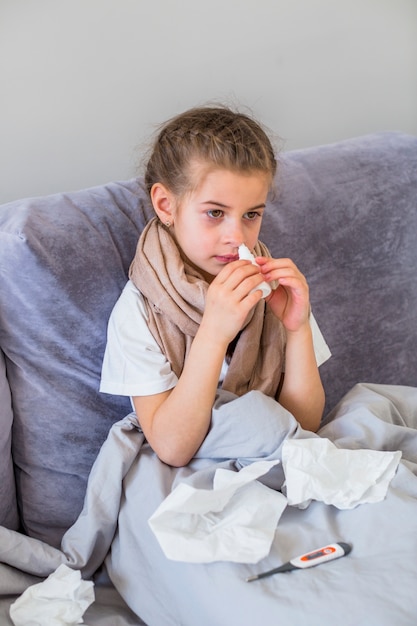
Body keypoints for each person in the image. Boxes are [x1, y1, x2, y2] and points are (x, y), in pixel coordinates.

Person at [100, 105, 331, 468]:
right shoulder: (141, 311)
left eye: (252, 214)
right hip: (191, 472)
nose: (237, 237)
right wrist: (213, 334)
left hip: (275, 459)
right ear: (165, 204)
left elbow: (304, 426)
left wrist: (297, 328)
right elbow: (173, 449)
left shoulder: (271, 289)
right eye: (215, 213)